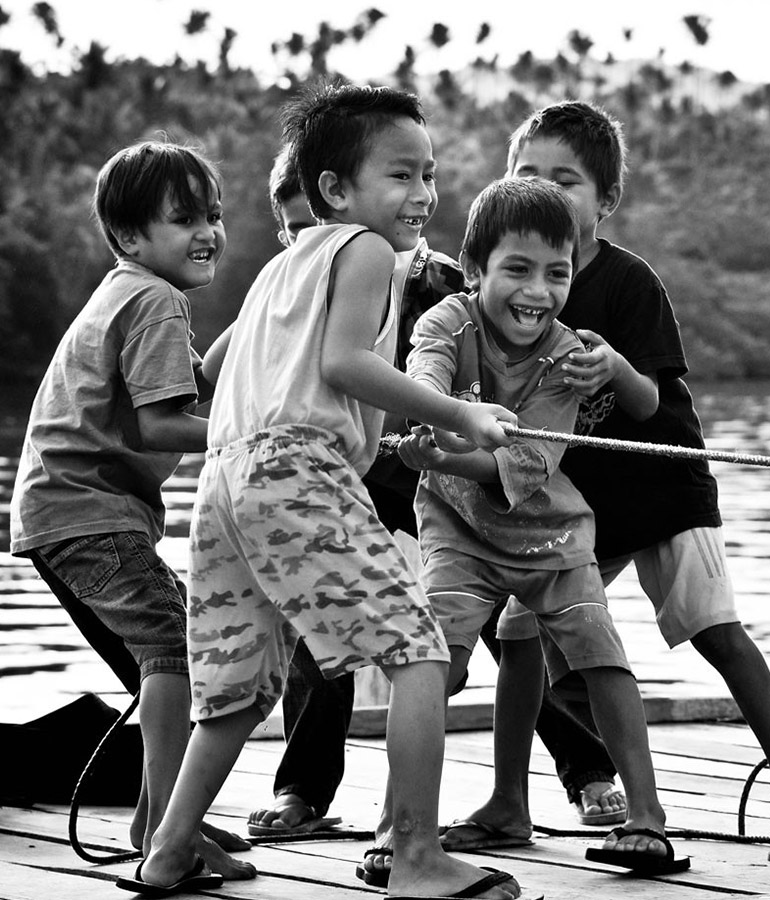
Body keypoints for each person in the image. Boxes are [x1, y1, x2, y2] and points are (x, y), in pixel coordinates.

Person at [120, 82, 524, 900]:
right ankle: (415, 855)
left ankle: (167, 850)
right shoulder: (367, 250)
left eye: (429, 175)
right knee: (416, 650)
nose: (423, 195)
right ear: (336, 190)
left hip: (227, 484)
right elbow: (344, 365)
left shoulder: (278, 268)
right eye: (400, 176)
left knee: (234, 687)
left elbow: (279, 380)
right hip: (295, 476)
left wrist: (399, 434)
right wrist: (458, 409)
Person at [469, 98, 770, 867]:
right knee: (520, 637)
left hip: (663, 486)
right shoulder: (509, 284)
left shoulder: (627, 282)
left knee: (715, 631)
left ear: (606, 201)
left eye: (567, 180)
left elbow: (647, 401)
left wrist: (613, 366)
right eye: (527, 174)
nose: (546, 191)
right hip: (576, 498)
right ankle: (507, 801)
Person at [387, 175, 687, 879]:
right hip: (458, 532)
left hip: (552, 536)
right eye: (516, 269)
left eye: (557, 274)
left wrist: (454, 450)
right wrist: (430, 422)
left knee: (597, 651)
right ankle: (403, 830)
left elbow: (528, 461)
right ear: (475, 270)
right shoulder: (446, 324)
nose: (538, 291)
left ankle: (647, 815)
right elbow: (423, 377)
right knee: (435, 659)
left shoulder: (567, 357)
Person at [9, 140, 255, 880]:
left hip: (64, 511)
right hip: (87, 512)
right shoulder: (155, 299)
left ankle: (165, 821)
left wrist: (252, 330)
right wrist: (255, 434)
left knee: (172, 651)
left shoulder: (127, 290)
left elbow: (184, 390)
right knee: (177, 653)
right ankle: (165, 836)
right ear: (129, 236)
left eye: (212, 215)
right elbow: (159, 425)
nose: (208, 232)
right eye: (184, 219)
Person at [239, 145, 468, 838]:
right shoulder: (295, 283)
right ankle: (303, 789)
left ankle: (586, 771)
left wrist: (451, 426)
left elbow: (462, 381)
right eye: (295, 231)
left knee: (489, 608)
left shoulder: (442, 285)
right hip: (339, 473)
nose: (313, 244)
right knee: (320, 624)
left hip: (439, 477)